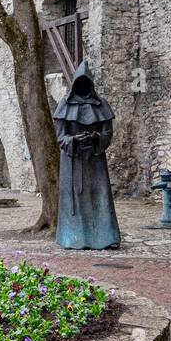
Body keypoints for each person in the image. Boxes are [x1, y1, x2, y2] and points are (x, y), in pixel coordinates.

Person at [53, 62, 120, 249]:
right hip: (73, 162)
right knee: (74, 200)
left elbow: (107, 134)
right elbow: (60, 137)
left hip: (95, 160)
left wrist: (96, 138)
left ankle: (105, 237)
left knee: (100, 197)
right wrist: (74, 140)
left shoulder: (101, 105)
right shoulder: (65, 105)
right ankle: (73, 238)